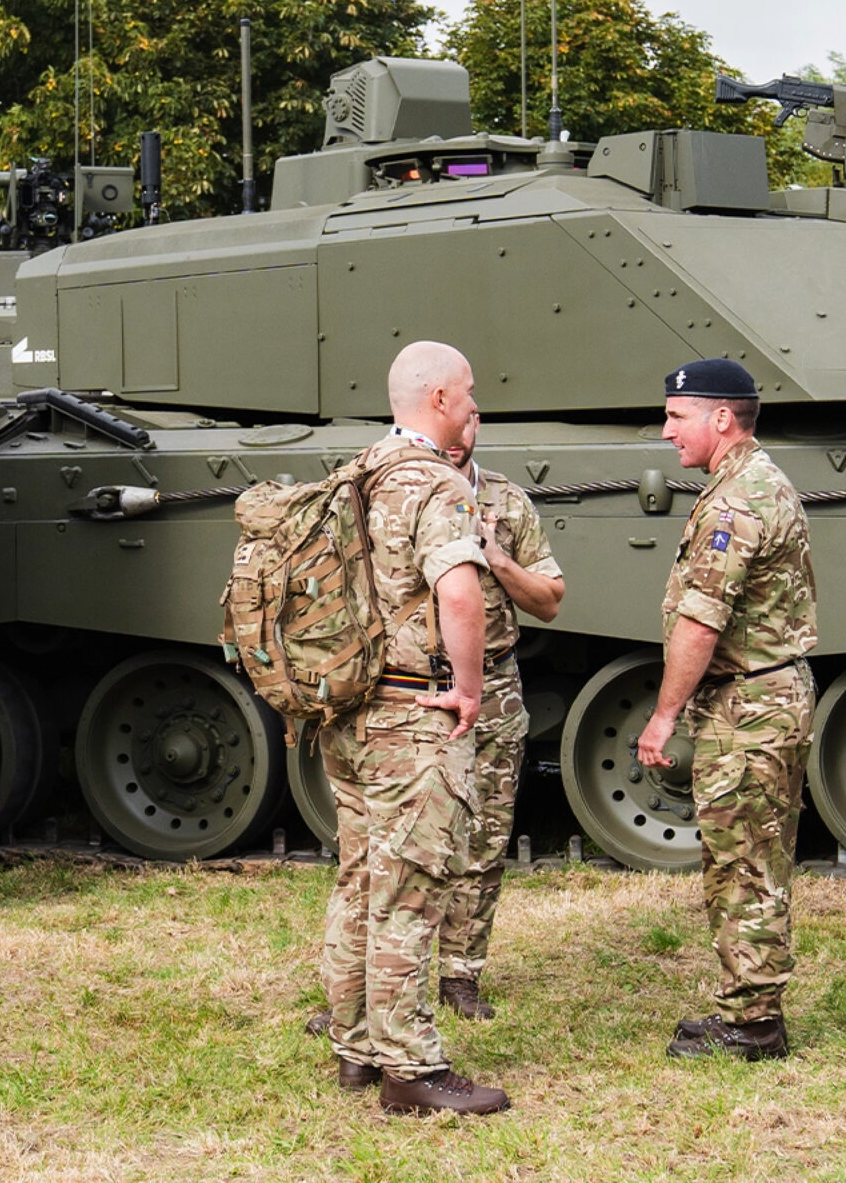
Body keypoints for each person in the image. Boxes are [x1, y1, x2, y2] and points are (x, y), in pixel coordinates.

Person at [316, 340, 508, 1116]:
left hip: (350, 710)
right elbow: (459, 594)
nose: (472, 406)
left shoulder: (354, 475)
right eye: (466, 393)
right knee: (411, 893)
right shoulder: (436, 483)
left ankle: (354, 1050)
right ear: (435, 399)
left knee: (360, 881)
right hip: (411, 714)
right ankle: (411, 1070)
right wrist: (468, 690)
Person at [636, 358, 819, 1062]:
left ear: (721, 418)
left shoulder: (737, 501)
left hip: (748, 705)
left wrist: (663, 716)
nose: (665, 431)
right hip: (766, 696)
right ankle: (752, 1008)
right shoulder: (757, 481)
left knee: (742, 860)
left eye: (676, 417)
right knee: (752, 854)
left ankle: (751, 1023)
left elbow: (702, 623)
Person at [434, 413, 564, 1022]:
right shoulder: (396, 493)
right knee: (402, 842)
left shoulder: (507, 500)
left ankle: (460, 974)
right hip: (418, 687)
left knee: (484, 838)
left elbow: (551, 601)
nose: (457, 436)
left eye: (468, 423)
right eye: (448, 422)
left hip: (495, 686)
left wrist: (500, 561)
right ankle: (374, 981)